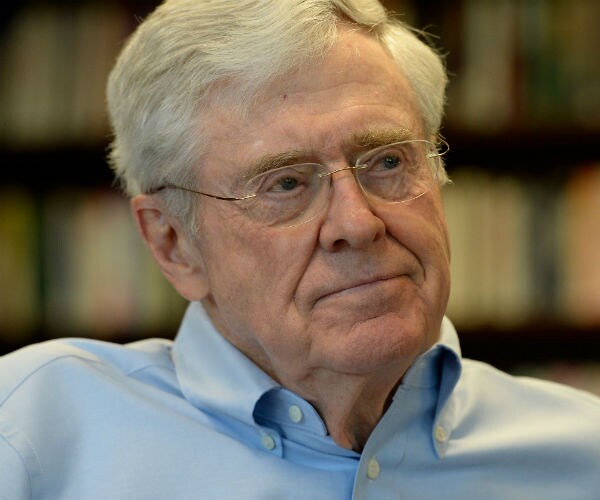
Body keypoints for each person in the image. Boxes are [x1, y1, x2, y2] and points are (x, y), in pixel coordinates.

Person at [1, 0, 599, 498]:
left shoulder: (581, 454)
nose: (357, 223)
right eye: (285, 184)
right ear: (173, 243)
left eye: (388, 162)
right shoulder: (33, 432)